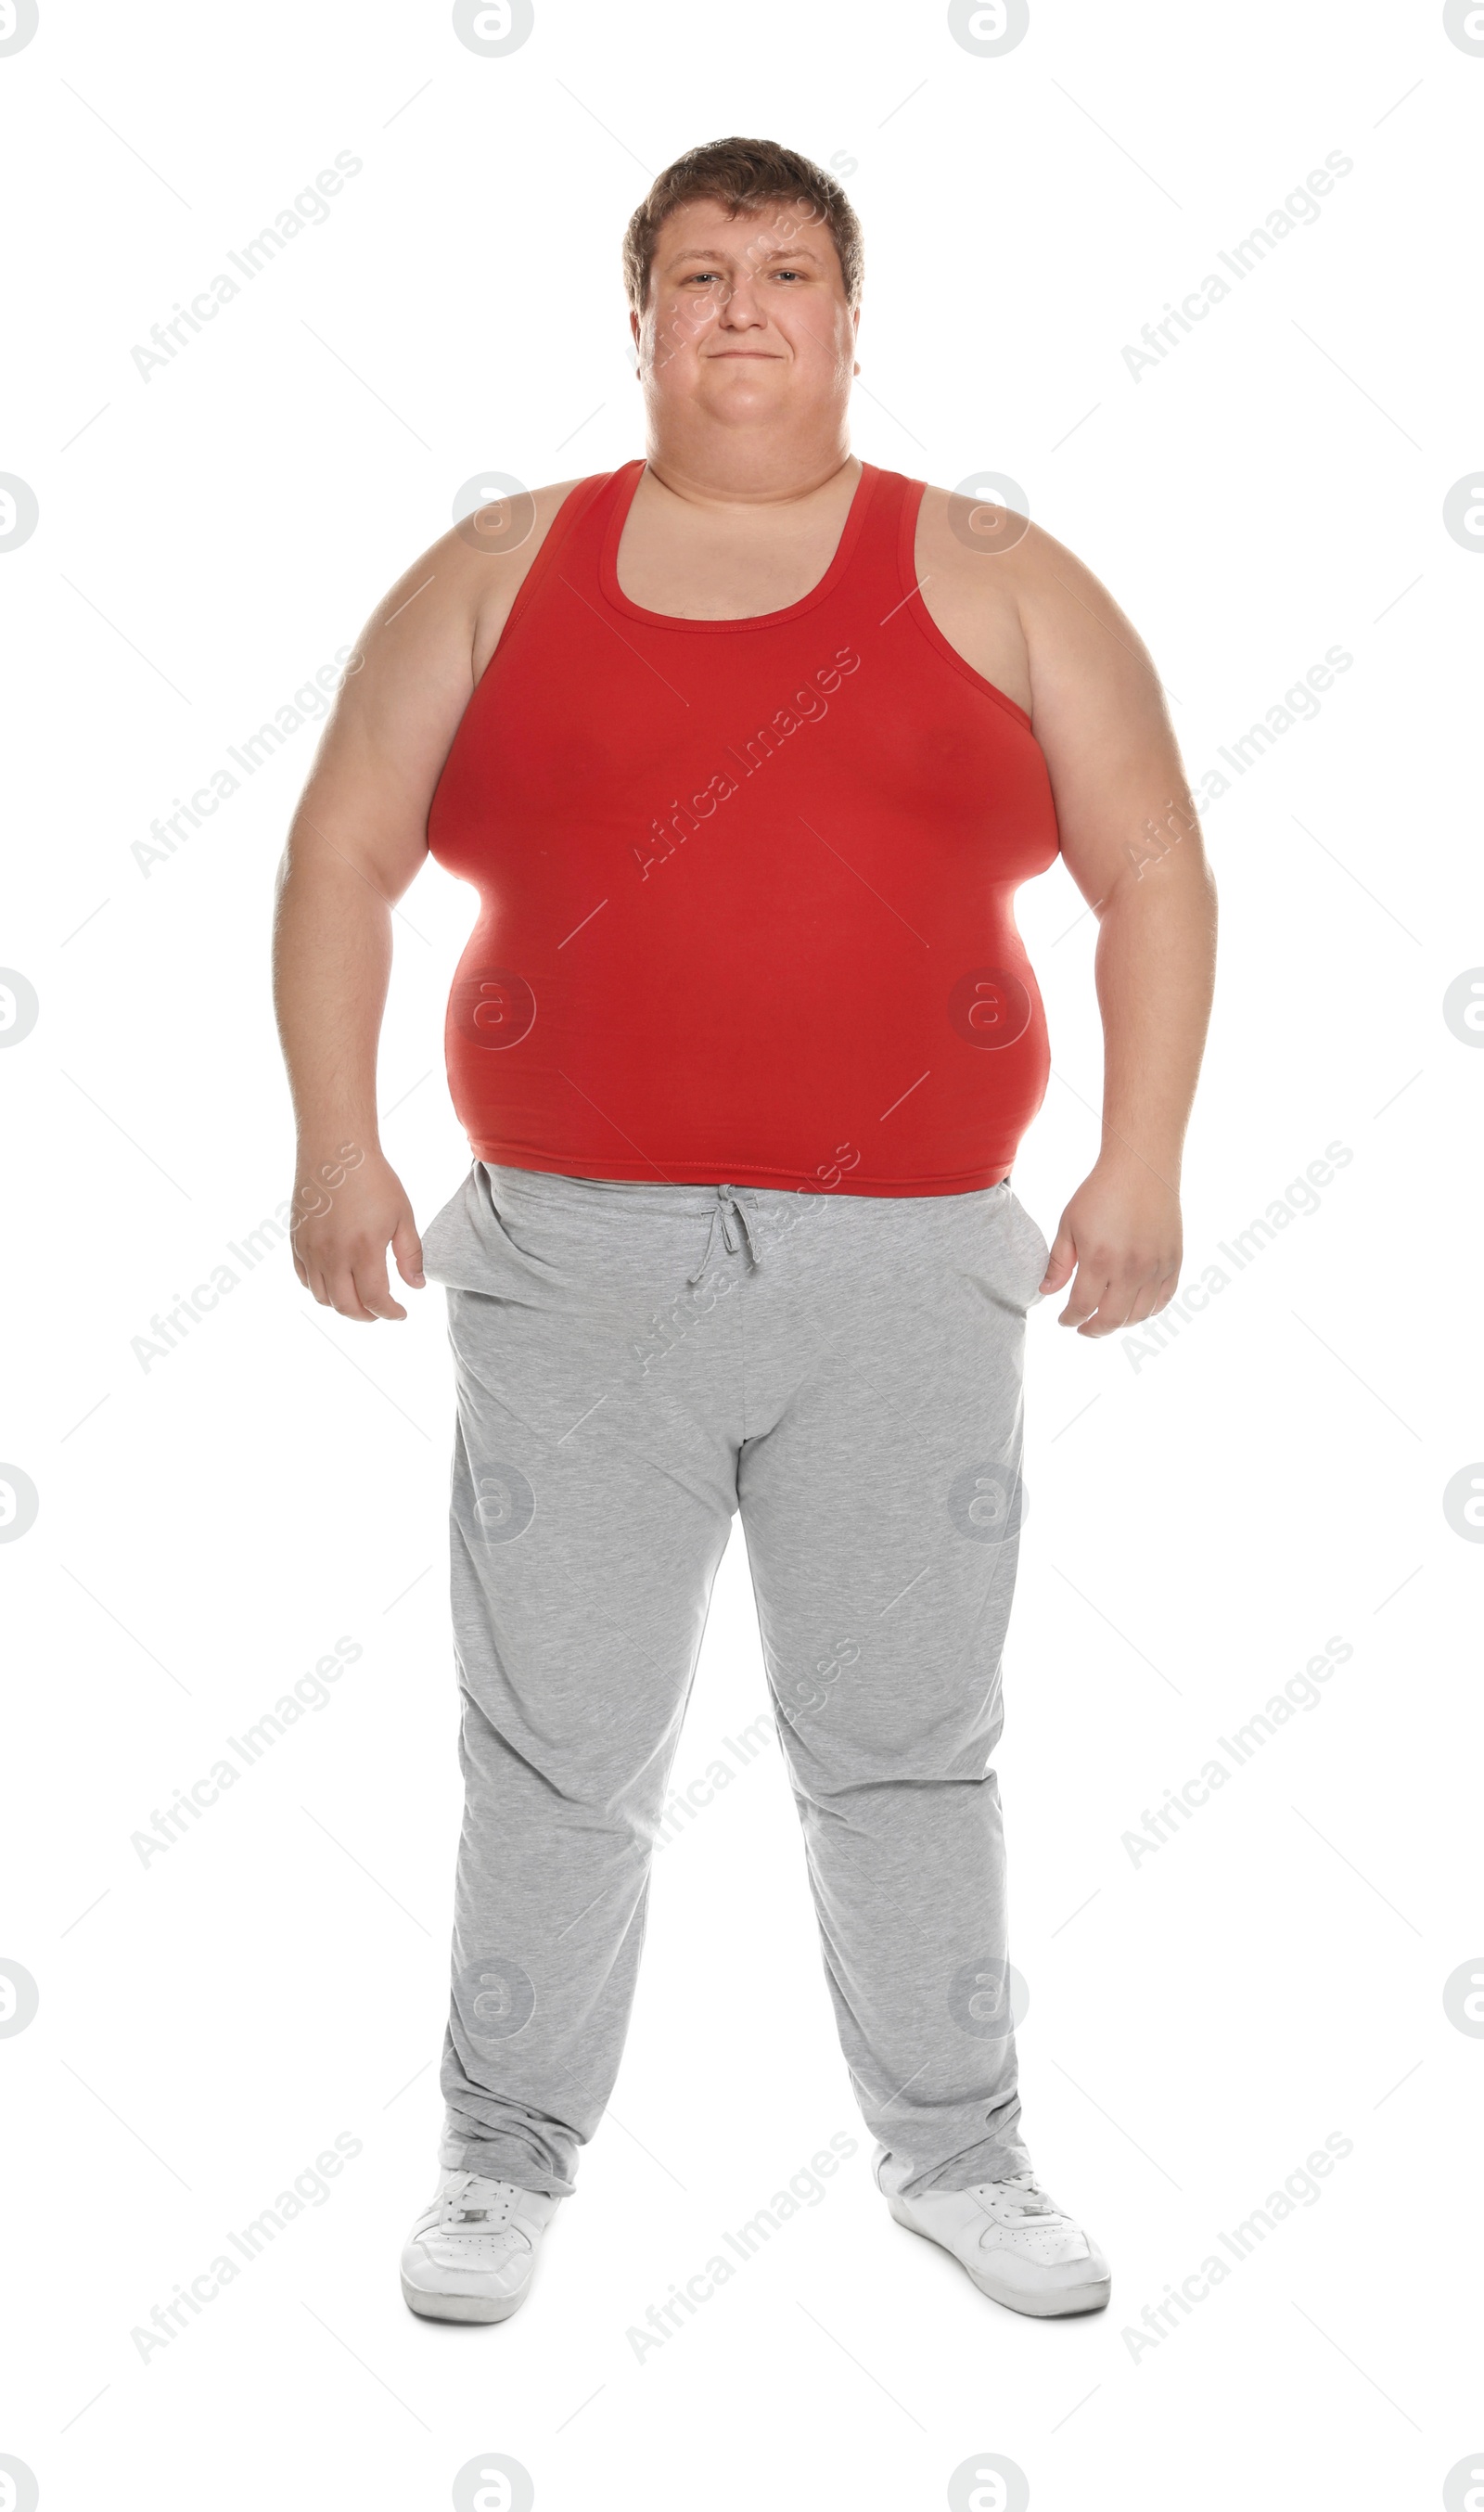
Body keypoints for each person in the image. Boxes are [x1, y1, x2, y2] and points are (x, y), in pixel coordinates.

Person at [272, 135, 1216, 2330]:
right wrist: (337, 1145)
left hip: (906, 1273)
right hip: (567, 1267)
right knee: (555, 1746)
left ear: (847, 315)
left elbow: (1152, 868)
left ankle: (957, 2152)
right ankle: (499, 2164)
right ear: (637, 317)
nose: (739, 309)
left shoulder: (991, 571)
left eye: (783, 271)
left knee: (901, 1739)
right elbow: (339, 856)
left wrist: (1141, 1159)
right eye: (695, 274)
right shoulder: (499, 570)